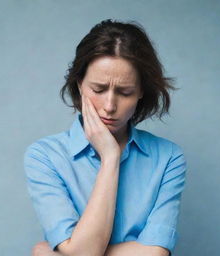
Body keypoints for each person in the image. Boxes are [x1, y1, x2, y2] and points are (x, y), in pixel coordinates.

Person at [24, 19, 187, 256]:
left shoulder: (168, 157)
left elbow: (155, 253)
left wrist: (55, 252)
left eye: (125, 92)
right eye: (98, 90)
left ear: (141, 91)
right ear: (80, 84)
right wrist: (110, 157)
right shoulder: (44, 156)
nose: (109, 106)